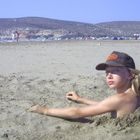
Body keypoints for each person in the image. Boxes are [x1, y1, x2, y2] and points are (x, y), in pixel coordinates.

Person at [28, 51, 140, 119]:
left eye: (115, 71)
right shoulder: (133, 93)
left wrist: (45, 111)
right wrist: (80, 99)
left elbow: (77, 112)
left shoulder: (119, 98)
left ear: (130, 74)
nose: (109, 76)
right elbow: (105, 105)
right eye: (107, 72)